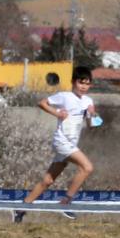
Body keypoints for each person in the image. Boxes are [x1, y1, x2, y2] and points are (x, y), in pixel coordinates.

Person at [13, 66, 98, 223]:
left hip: (71, 143)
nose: (84, 86)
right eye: (81, 83)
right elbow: (42, 103)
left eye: (87, 84)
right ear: (73, 82)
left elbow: (93, 124)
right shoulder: (64, 96)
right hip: (62, 142)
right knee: (87, 168)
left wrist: (93, 114)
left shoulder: (88, 101)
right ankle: (65, 203)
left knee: (48, 180)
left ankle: (21, 209)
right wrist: (57, 113)